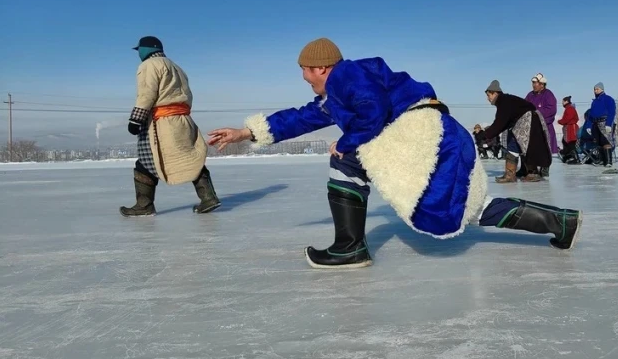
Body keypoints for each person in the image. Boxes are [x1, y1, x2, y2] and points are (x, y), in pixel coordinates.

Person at [208, 38, 581, 269]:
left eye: (305, 71)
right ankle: (560, 222)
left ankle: (349, 248)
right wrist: (246, 132)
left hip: (427, 141)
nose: (304, 77)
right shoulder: (337, 92)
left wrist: (348, 141)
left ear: (320, 67)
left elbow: (373, 109)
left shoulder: (347, 75)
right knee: (468, 207)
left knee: (346, 160)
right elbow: (302, 118)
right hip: (433, 141)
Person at [119, 36, 221, 216]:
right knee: (190, 158)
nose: (138, 53)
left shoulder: (149, 65)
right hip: (183, 121)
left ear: (146, 49)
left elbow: (146, 94)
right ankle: (208, 197)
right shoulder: (176, 67)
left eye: (139, 50)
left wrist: (135, 119)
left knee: (145, 162)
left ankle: (144, 205)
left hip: (162, 124)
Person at [476, 80, 552, 183]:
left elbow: (500, 123)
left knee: (524, 145)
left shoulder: (503, 101)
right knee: (516, 144)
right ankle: (519, 172)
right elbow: (503, 123)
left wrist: (485, 135)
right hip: (526, 121)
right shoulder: (504, 101)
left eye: (489, 95)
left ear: (495, 93)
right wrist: (488, 132)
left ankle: (529, 173)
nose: (488, 98)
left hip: (529, 121)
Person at [525, 73, 559, 159]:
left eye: (535, 83)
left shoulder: (548, 94)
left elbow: (551, 109)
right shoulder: (530, 95)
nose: (533, 85)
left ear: (542, 85)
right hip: (532, 128)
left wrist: (536, 113)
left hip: (545, 128)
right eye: (533, 83)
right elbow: (524, 106)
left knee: (546, 154)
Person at [587, 82, 618, 173]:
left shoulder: (608, 99)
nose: (595, 91)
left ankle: (608, 161)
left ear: (602, 89)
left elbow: (612, 112)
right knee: (599, 142)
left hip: (604, 122)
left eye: (597, 89)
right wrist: (589, 125)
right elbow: (590, 115)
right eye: (594, 89)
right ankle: (602, 159)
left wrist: (608, 124)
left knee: (606, 141)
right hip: (595, 123)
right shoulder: (594, 101)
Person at [557, 96, 580, 163]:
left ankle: (576, 159)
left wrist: (560, 121)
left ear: (566, 101)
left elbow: (567, 118)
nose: (562, 103)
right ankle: (567, 156)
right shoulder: (569, 108)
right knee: (566, 142)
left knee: (571, 143)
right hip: (569, 128)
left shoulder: (569, 108)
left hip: (571, 128)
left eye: (563, 102)